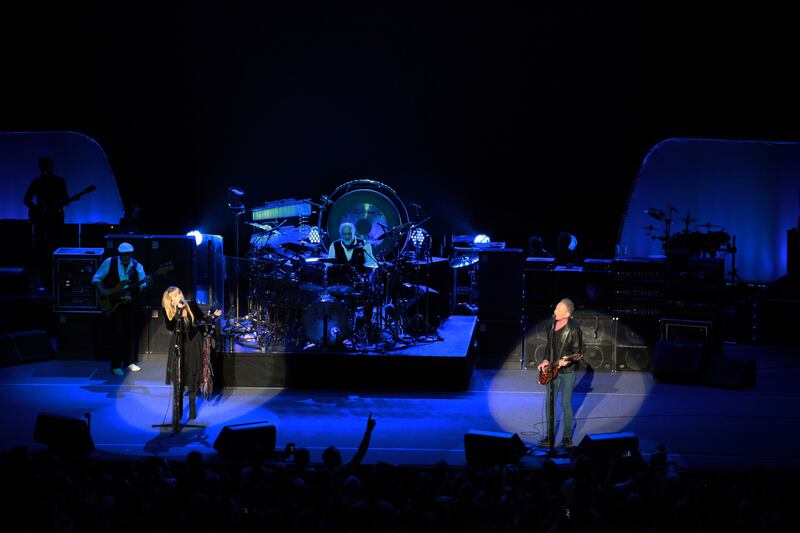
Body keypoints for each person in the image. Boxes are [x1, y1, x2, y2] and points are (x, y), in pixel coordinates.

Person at [162, 286, 222, 420]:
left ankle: (193, 408)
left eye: (179, 294)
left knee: (193, 372)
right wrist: (177, 312)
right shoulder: (168, 310)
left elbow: (202, 319)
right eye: (175, 296)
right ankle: (178, 410)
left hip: (194, 342)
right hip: (178, 342)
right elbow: (170, 327)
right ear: (170, 300)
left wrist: (213, 316)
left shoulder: (191, 305)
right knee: (179, 374)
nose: (179, 297)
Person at [92, 242, 149, 375]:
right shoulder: (109, 262)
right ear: (119, 254)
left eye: (127, 254)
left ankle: (129, 362)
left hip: (130, 305)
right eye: (123, 255)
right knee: (117, 333)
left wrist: (146, 284)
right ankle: (115, 365)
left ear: (131, 254)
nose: (125, 257)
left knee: (130, 333)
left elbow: (142, 285)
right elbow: (96, 278)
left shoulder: (137, 266)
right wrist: (103, 291)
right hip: (114, 304)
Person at [537, 298, 583, 448]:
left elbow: (578, 353)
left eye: (559, 309)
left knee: (565, 403)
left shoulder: (574, 329)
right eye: (556, 308)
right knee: (550, 403)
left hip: (568, 372)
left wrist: (568, 361)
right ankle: (549, 436)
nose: (555, 311)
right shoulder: (551, 326)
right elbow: (548, 347)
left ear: (568, 313)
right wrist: (544, 361)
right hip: (552, 369)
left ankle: (567, 437)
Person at [23, 157, 69, 286]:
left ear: (51, 166)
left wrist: (58, 204)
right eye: (43, 166)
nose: (45, 168)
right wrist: (37, 209)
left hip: (56, 217)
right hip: (41, 219)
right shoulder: (37, 182)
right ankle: (43, 277)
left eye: (47, 165)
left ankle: (57, 275)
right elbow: (26, 199)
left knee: (56, 244)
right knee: (41, 246)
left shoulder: (59, 181)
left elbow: (65, 198)